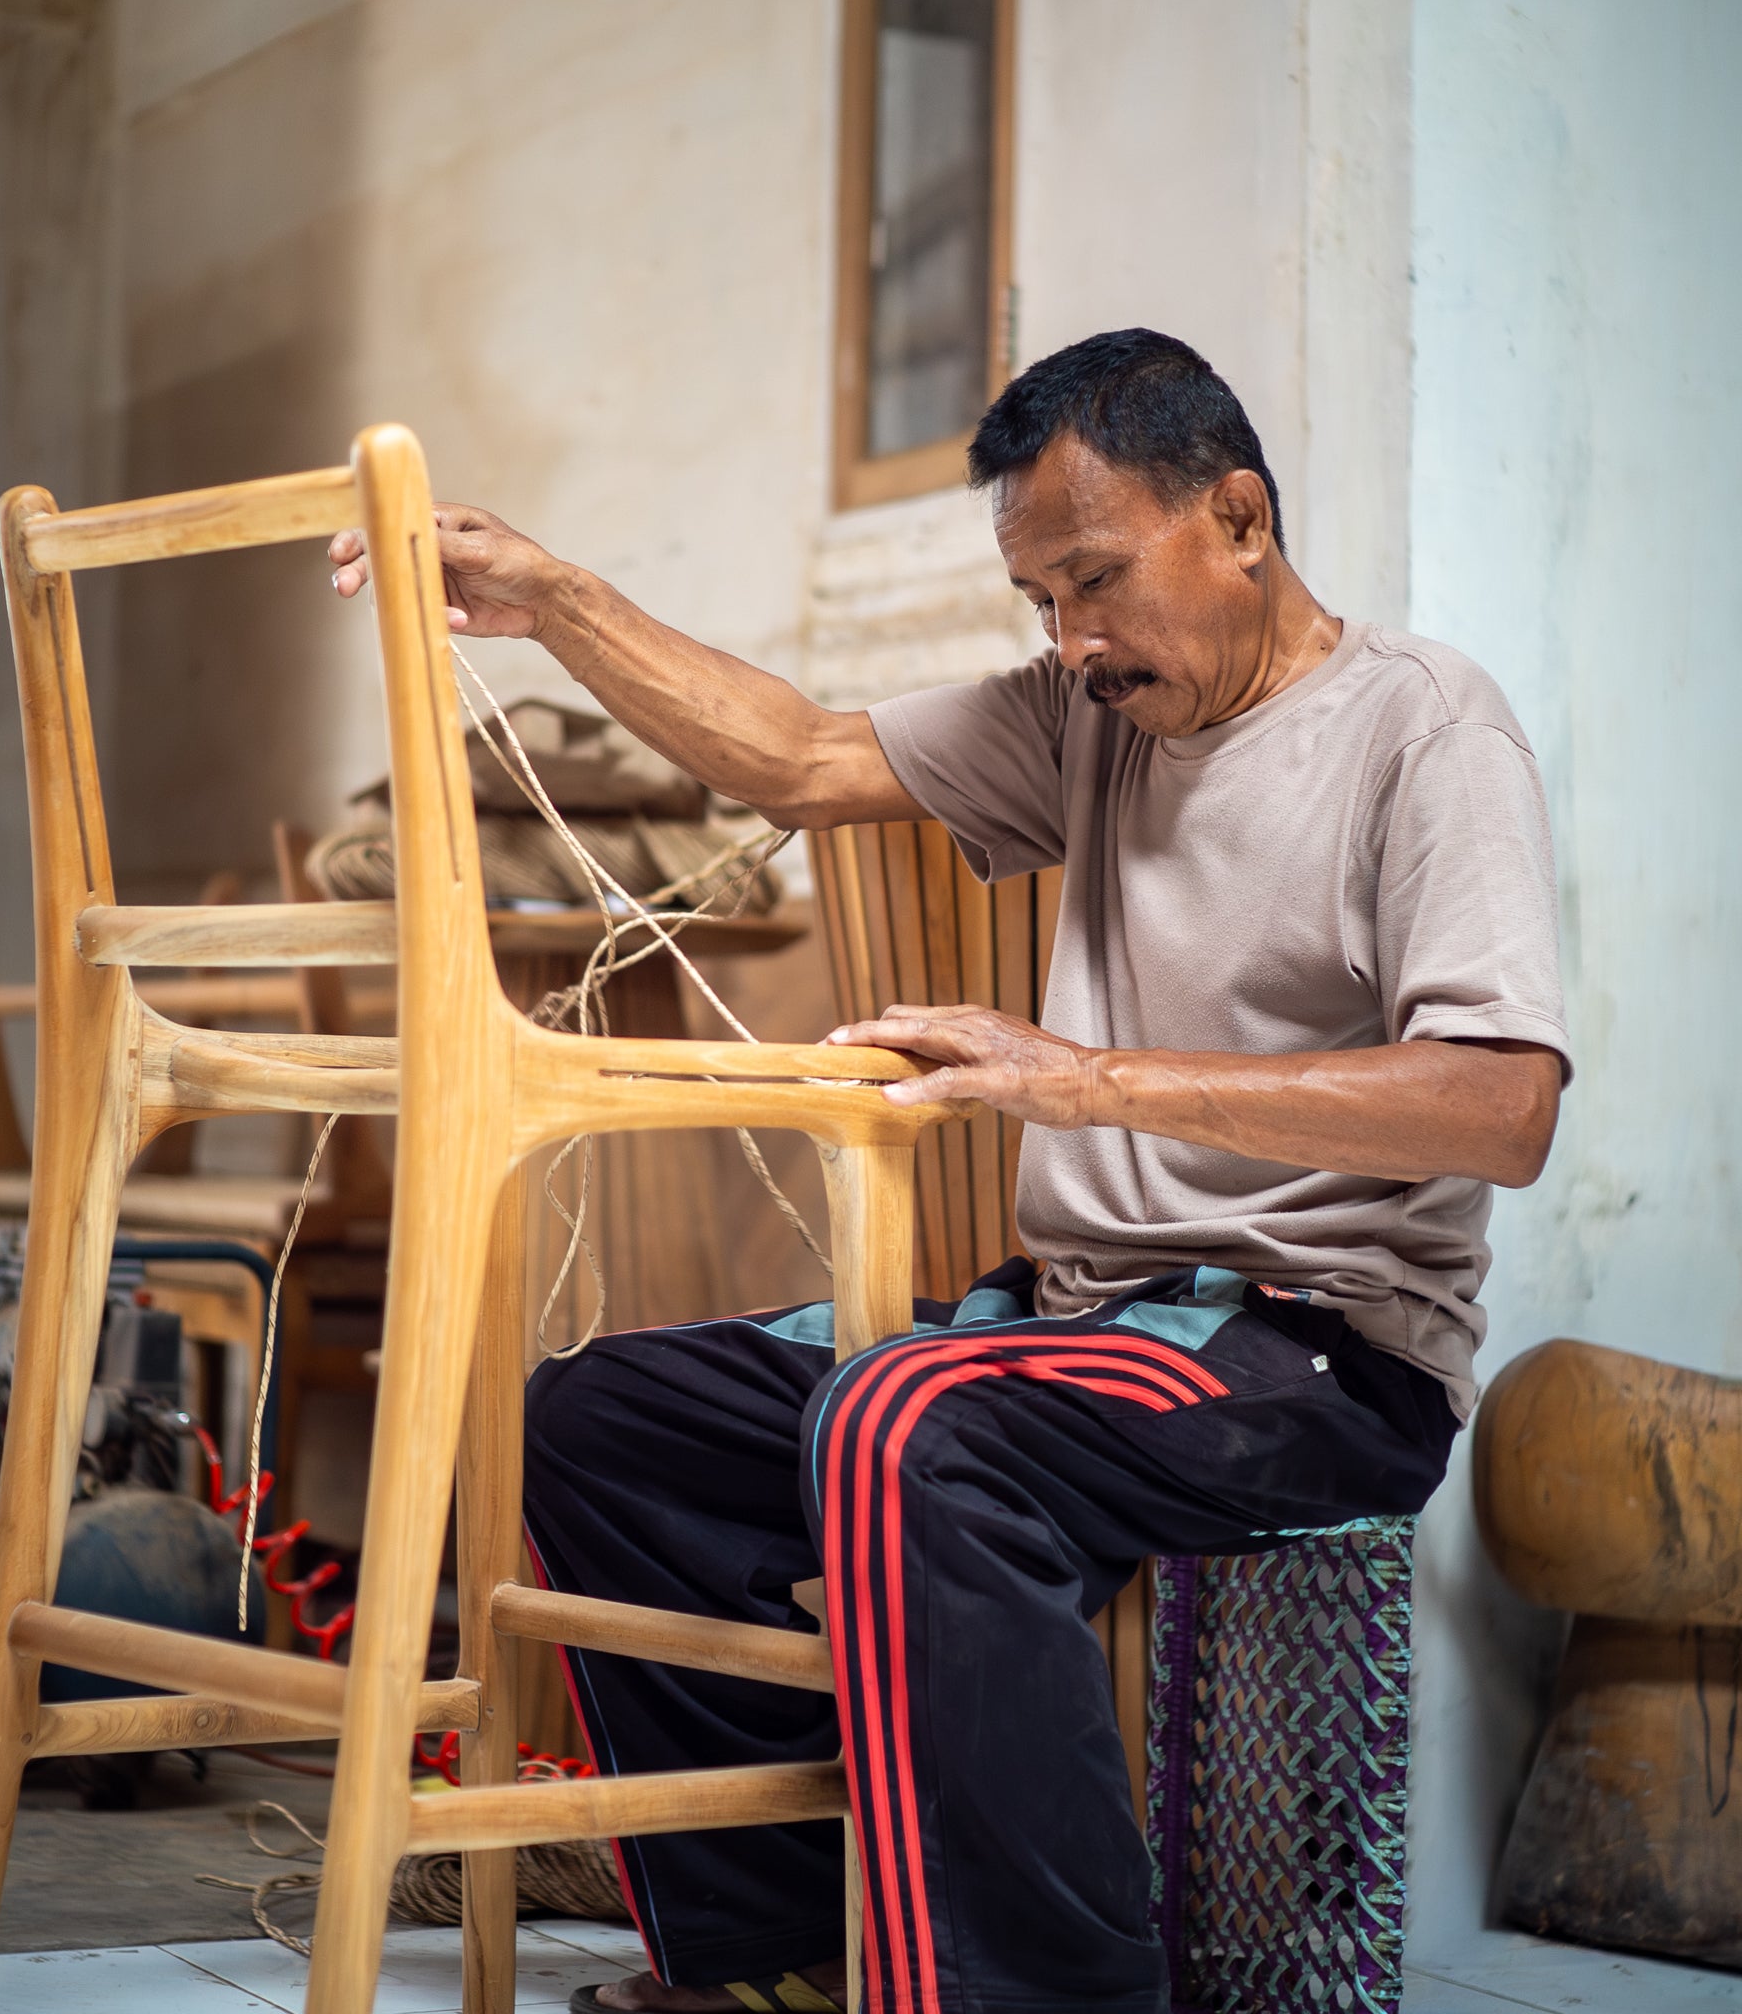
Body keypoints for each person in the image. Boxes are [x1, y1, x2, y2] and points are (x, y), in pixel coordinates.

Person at [329, 329, 1569, 2014]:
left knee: (910, 1421)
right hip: (1069, 1326)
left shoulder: (1427, 733)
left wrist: (1091, 1081)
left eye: (1099, 581)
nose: (1072, 639)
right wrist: (557, 600)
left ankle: (1056, 1999)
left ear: (1244, 518)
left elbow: (1501, 1106)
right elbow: (802, 759)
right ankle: (777, 1957)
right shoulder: (1094, 714)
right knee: (600, 1417)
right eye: (1041, 601)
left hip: (1320, 1350)